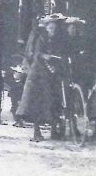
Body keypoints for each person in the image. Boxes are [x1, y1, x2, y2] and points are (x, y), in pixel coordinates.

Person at [16, 13, 69, 142]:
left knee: (54, 101)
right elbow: (36, 54)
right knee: (37, 103)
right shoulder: (41, 38)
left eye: (55, 27)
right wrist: (45, 56)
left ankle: (54, 130)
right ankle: (36, 131)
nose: (53, 30)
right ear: (46, 27)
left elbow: (61, 53)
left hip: (52, 73)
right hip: (38, 74)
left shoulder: (57, 39)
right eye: (51, 27)